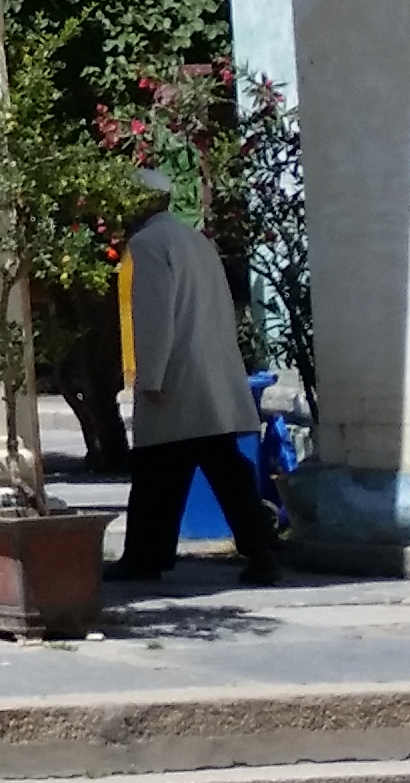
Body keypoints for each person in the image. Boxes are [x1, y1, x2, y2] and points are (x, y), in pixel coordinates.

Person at [110, 166, 285, 587]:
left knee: (158, 474)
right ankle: (260, 551)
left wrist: (150, 377)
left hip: (176, 379)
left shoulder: (148, 244)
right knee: (221, 470)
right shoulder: (195, 242)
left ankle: (146, 557)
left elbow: (155, 316)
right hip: (207, 375)